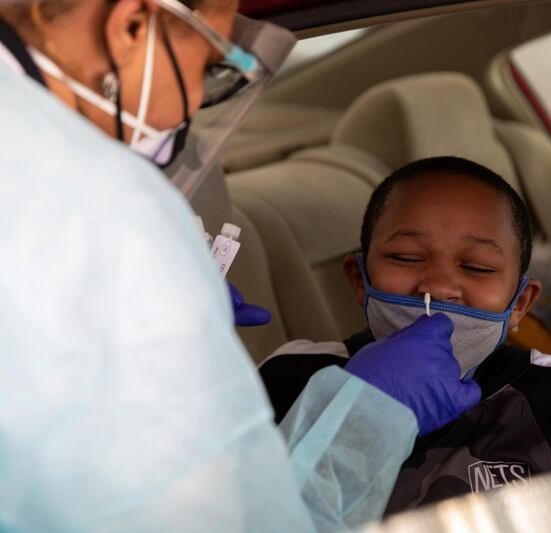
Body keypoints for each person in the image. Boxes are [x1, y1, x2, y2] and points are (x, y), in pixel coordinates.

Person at [0, 1, 480, 531]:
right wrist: (368, 419)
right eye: (208, 68)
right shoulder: (103, 211)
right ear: (131, 27)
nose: (188, 113)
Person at [260, 156, 551, 514]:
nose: (438, 286)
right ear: (359, 280)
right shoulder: (292, 377)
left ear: (519, 304)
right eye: (406, 257)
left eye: (477, 267)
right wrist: (361, 411)